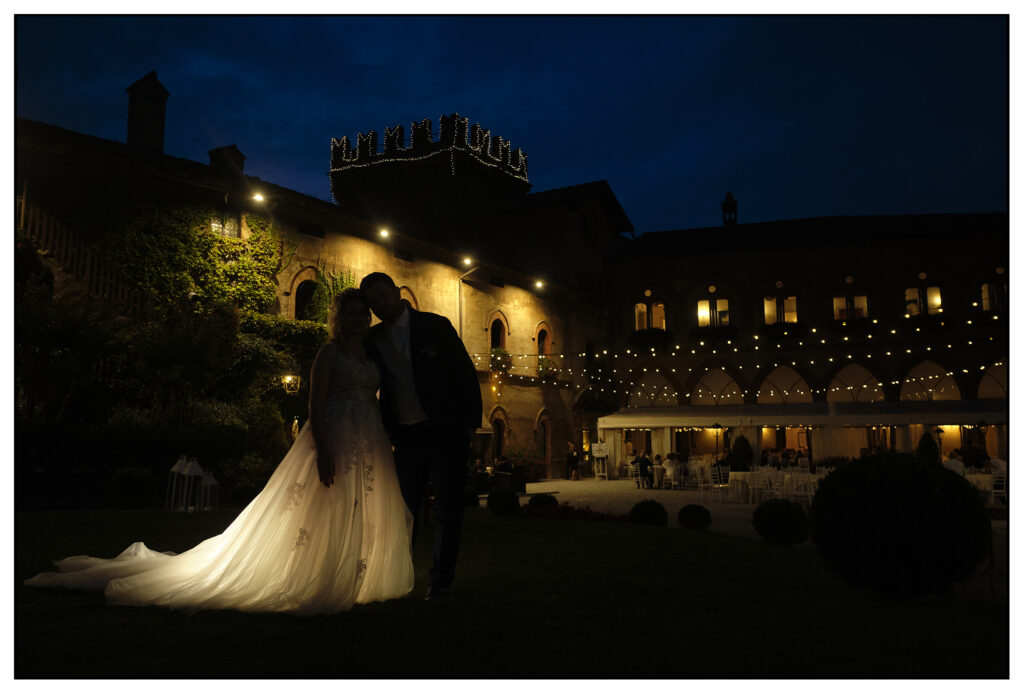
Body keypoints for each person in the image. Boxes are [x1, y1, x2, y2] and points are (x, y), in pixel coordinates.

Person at [24, 289, 415, 615]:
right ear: (340, 317)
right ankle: (318, 575)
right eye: (352, 313)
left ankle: (356, 575)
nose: (360, 319)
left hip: (369, 438)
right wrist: (325, 449)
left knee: (362, 506)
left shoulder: (371, 356)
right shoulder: (329, 353)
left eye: (363, 313)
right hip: (334, 432)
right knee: (322, 506)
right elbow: (314, 405)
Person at [361, 272, 482, 601]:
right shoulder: (372, 340)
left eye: (384, 297)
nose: (381, 306)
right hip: (406, 436)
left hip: (445, 431)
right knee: (404, 510)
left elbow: (464, 372)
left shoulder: (434, 326)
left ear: (398, 293)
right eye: (373, 303)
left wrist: (470, 423)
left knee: (448, 508)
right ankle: (399, 577)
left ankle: (439, 581)